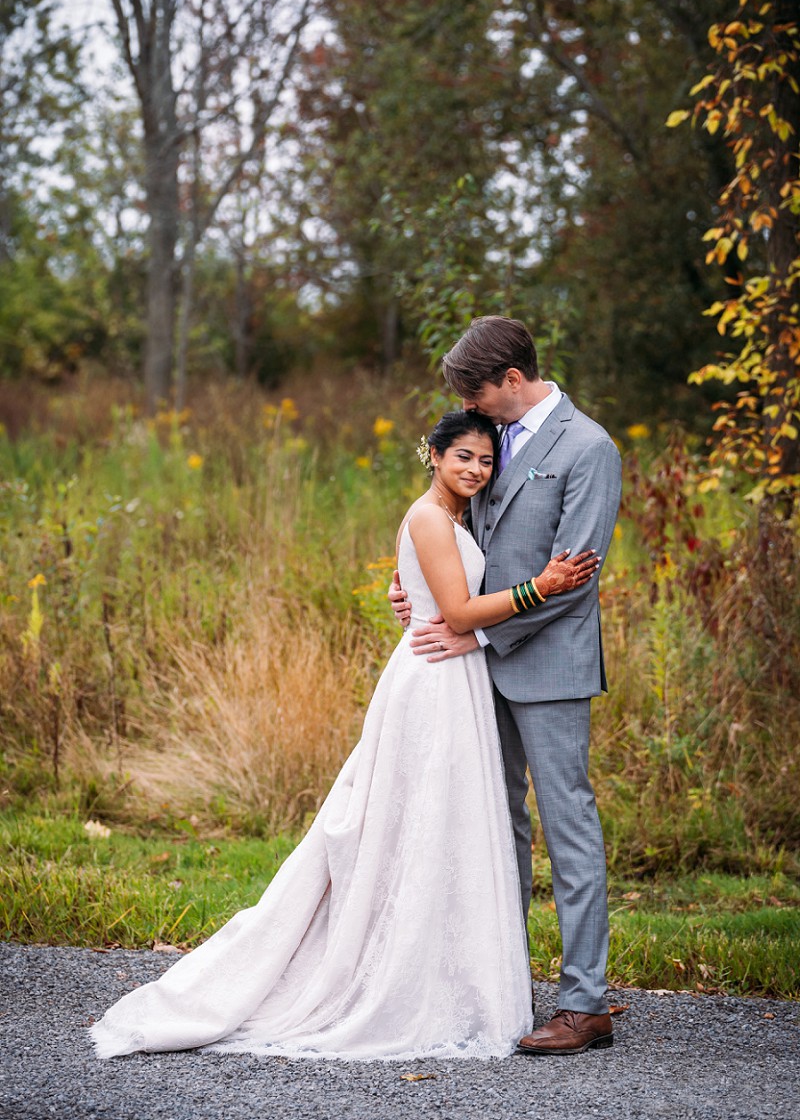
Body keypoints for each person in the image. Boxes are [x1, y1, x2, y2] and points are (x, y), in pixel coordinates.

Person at [90, 409, 598, 1062]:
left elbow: (440, 588)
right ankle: (399, 974)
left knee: (447, 824)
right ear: (434, 456)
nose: (476, 469)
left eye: (486, 460)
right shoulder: (427, 516)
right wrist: (543, 586)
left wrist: (409, 583)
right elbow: (463, 611)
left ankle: (448, 973)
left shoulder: (455, 519)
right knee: (416, 821)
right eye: (463, 457)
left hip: (454, 675)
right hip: (435, 680)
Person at [391, 315, 622, 1056]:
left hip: (547, 667)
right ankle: (502, 986)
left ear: (514, 380)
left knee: (569, 828)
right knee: (496, 827)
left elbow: (573, 580)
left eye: (480, 394)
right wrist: (423, 593)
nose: (476, 408)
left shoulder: (589, 448)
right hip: (471, 672)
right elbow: (458, 533)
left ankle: (585, 1005)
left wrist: (477, 629)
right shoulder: (491, 438)